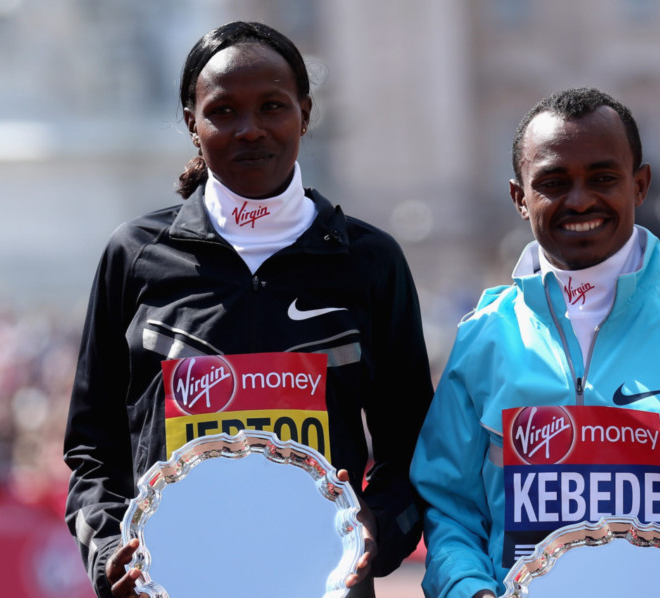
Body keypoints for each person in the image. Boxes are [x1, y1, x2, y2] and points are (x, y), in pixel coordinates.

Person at [63, 21, 433, 598]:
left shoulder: (371, 260)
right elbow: (92, 448)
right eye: (224, 111)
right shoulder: (133, 257)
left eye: (272, 106)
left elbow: (413, 447)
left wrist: (375, 531)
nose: (250, 130)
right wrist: (111, 550)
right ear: (192, 123)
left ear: (305, 113)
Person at [410, 87, 660, 598]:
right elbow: (450, 511)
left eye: (602, 178)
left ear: (640, 185)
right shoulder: (481, 340)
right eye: (554, 182)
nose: (579, 200)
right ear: (519, 198)